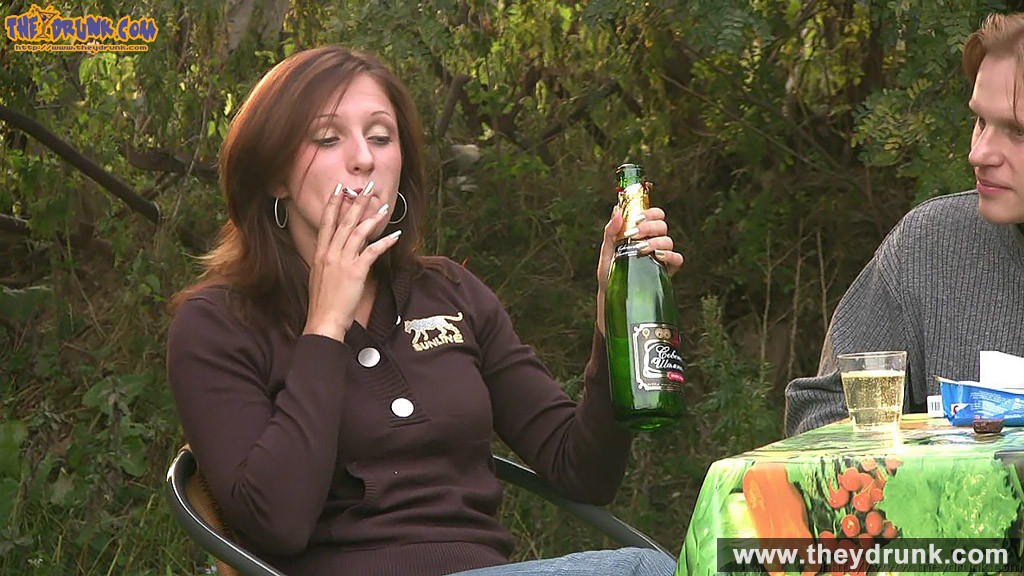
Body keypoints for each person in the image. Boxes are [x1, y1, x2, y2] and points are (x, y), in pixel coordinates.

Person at [165, 46, 683, 576]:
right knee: (647, 570)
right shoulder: (216, 324)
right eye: (327, 138)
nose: (363, 157)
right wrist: (324, 327)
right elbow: (277, 523)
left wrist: (611, 314)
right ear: (275, 175)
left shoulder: (450, 291)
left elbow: (582, 471)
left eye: (381, 137)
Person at [784, 12, 1024, 436]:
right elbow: (819, 415)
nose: (979, 153)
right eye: (981, 121)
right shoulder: (929, 247)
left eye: (1017, 131)